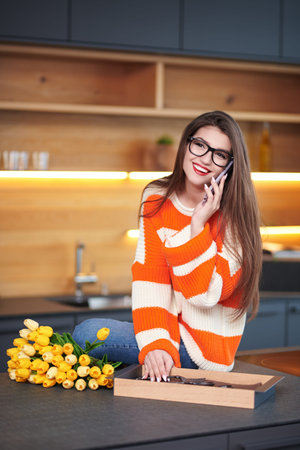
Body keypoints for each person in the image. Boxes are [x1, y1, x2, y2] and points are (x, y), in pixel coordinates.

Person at [73, 110, 262, 382]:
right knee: (86, 333)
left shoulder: (236, 216)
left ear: (230, 166)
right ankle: (155, 364)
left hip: (202, 351)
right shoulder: (156, 198)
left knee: (88, 334)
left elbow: (205, 296)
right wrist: (156, 343)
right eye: (199, 145)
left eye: (219, 155)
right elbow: (151, 277)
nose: (205, 160)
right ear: (186, 144)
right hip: (169, 333)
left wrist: (198, 225)